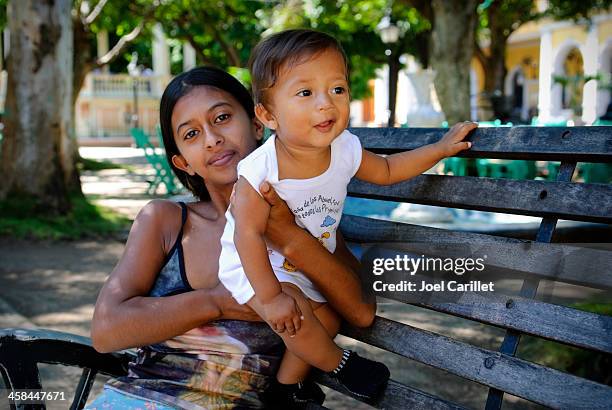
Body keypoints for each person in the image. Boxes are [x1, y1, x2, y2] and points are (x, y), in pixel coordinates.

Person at [88, 66, 376, 409]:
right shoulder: (165, 221)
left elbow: (360, 313)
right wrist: (219, 302)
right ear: (183, 163)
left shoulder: (312, 221)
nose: (212, 139)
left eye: (222, 117)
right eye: (192, 134)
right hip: (138, 399)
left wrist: (288, 237)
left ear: (257, 122)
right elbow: (106, 331)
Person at [218, 28, 477, 403]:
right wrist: (271, 298)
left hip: (299, 261)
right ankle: (344, 365)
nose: (326, 103)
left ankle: (285, 390)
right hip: (254, 266)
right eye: (306, 93)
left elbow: (388, 170)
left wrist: (438, 149)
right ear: (267, 114)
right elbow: (247, 237)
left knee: (328, 320)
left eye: (337, 89)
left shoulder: (344, 148)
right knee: (295, 311)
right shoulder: (261, 171)